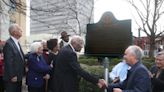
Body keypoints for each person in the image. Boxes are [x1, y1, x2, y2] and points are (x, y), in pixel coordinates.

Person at [3, 24, 25, 92]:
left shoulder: (16, 43)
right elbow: (8, 61)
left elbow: (20, 57)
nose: (21, 30)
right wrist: (13, 75)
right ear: (14, 32)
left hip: (19, 76)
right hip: (12, 77)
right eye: (19, 29)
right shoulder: (9, 43)